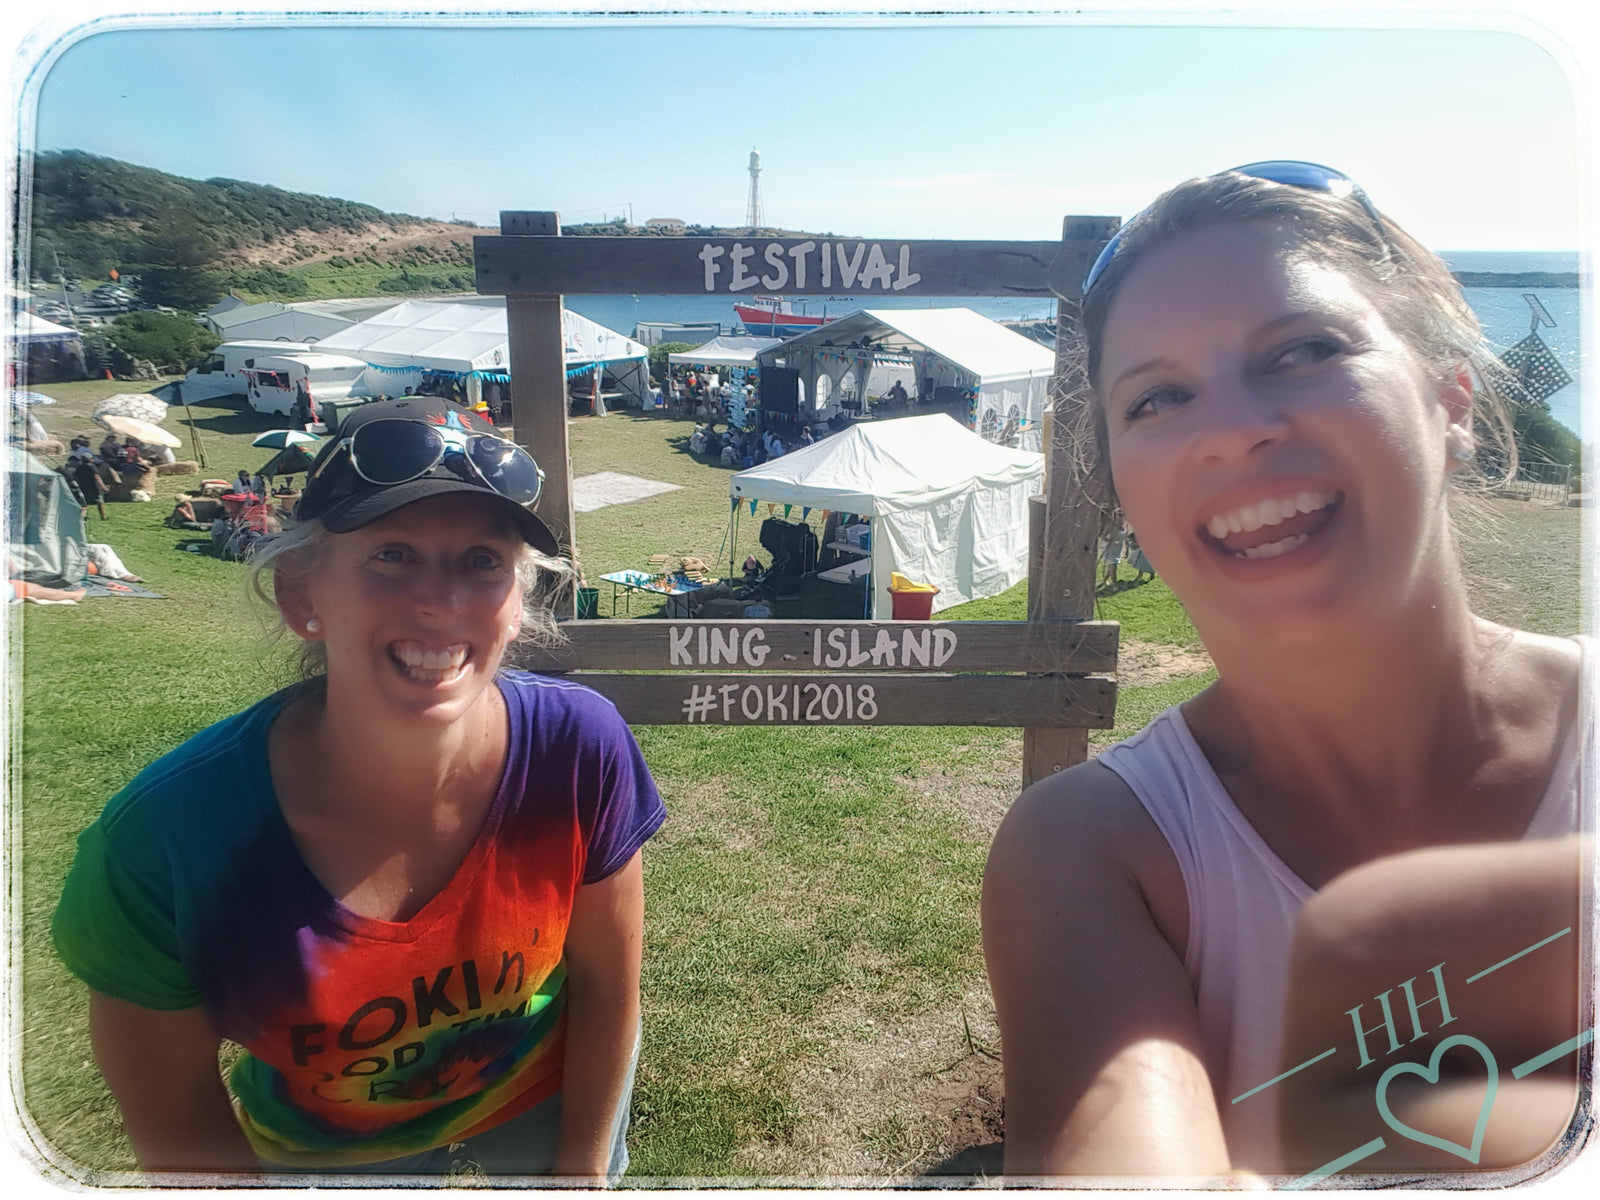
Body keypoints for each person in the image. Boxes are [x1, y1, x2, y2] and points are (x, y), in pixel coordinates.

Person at [981, 162, 1588, 1181]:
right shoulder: (1095, 857)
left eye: (1304, 349)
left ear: (1452, 402)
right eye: (1158, 396)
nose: (1230, 430)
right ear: (1122, 489)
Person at [53, 396, 665, 1180]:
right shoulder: (163, 841)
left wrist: (579, 1180)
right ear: (302, 595)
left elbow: (610, 985)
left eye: (483, 561)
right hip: (332, 1148)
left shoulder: (580, 746)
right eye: (392, 554)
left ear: (518, 604)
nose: (442, 602)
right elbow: (178, 1126)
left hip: (542, 1088)